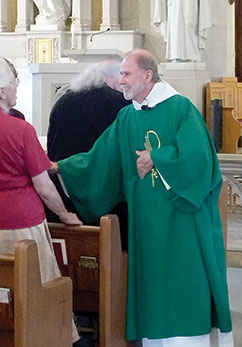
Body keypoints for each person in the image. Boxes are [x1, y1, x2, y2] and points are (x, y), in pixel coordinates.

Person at [49, 48, 233, 346]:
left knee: (182, 285)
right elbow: (100, 160)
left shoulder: (180, 108)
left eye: (126, 74)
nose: (120, 81)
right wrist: (61, 167)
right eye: (120, 74)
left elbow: (201, 159)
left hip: (182, 220)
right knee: (153, 289)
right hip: (147, 223)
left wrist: (157, 158)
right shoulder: (127, 116)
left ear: (148, 75)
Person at [0, 57, 81, 344]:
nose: (17, 86)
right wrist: (66, 215)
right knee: (36, 289)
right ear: (1, 92)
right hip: (21, 226)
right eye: (12, 81)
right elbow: (43, 186)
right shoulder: (20, 130)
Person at [47, 61, 131, 250]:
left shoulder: (63, 101)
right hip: (109, 195)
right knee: (113, 251)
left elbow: (52, 147)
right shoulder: (123, 104)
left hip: (66, 189)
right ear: (113, 78)